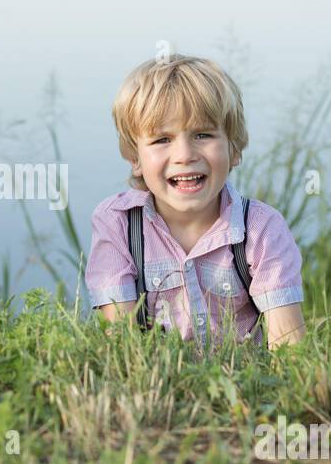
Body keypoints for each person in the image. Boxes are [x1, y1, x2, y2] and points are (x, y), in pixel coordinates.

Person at [85, 54, 305, 350]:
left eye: (203, 134)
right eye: (162, 139)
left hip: (245, 385)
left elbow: (290, 347)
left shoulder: (261, 229)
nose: (185, 155)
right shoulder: (119, 224)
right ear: (135, 158)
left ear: (234, 149)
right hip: (157, 386)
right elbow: (119, 345)